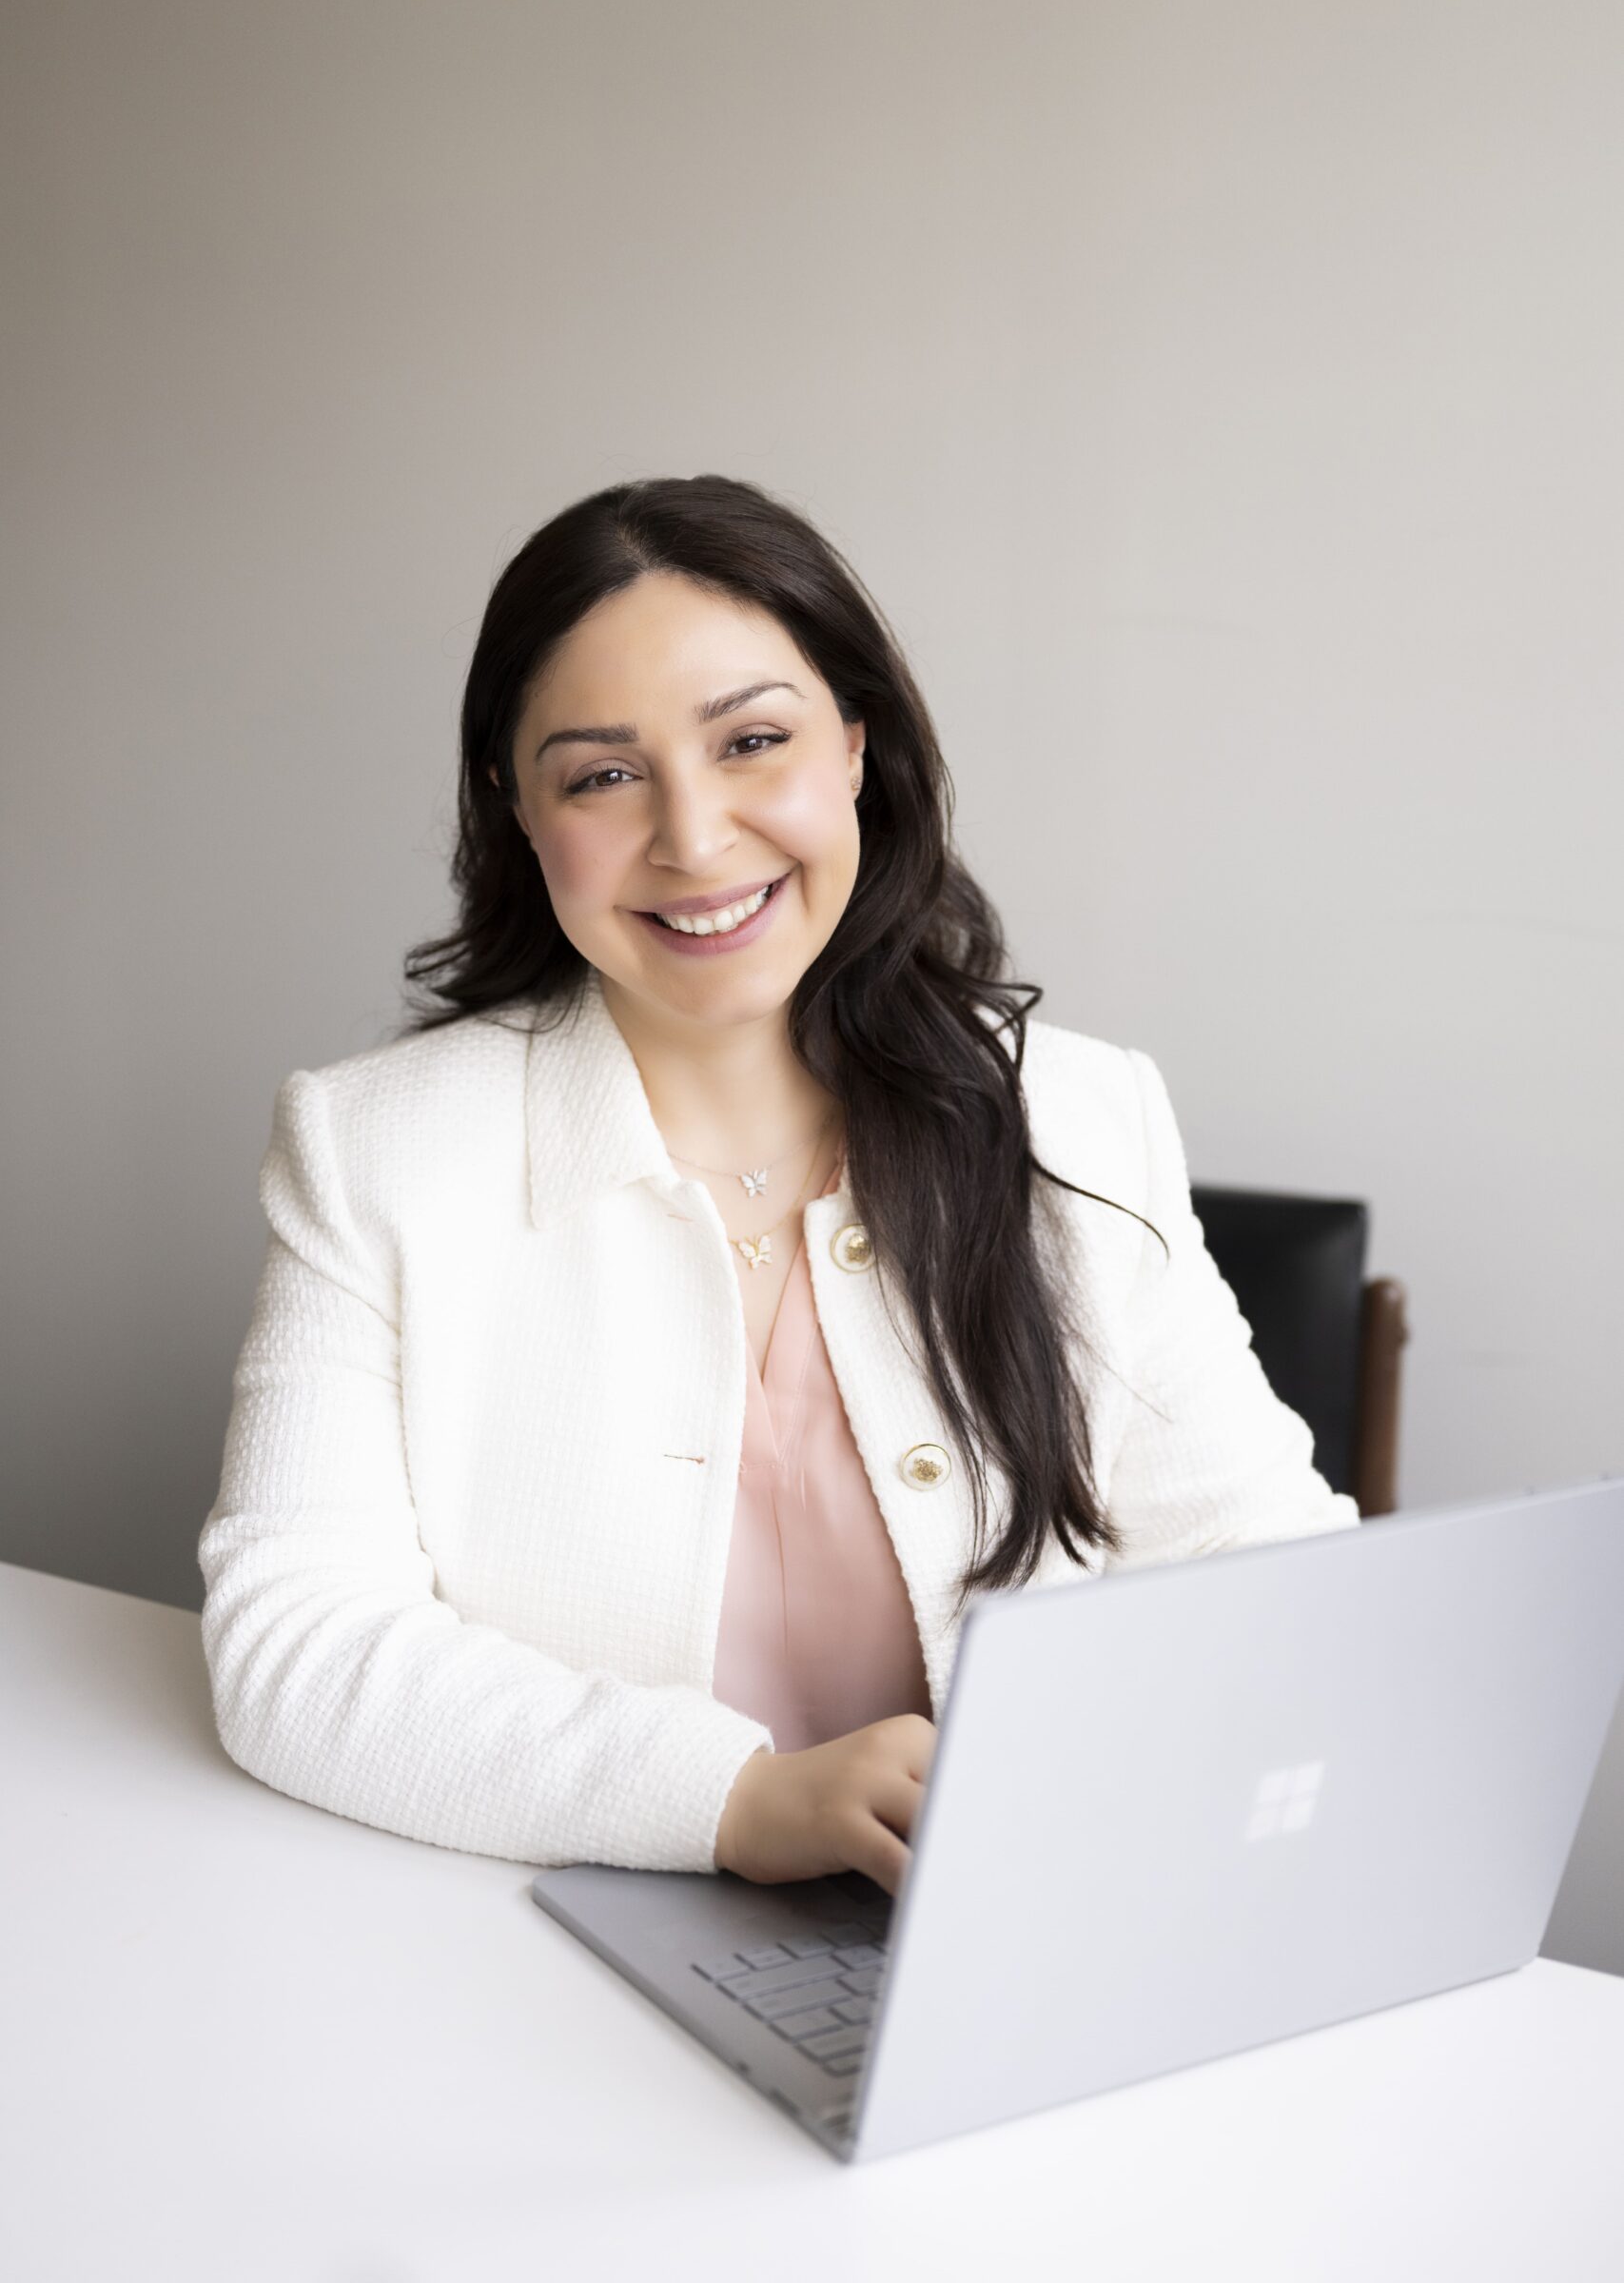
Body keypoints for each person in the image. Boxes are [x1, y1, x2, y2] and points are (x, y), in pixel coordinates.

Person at [199, 473, 1356, 1899]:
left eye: (753, 741)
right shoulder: (371, 1150)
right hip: (546, 1947)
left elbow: (1277, 1578)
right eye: (605, 774)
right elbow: (291, 1644)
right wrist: (735, 1802)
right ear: (519, 806)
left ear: (856, 748)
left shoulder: (1083, 1114)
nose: (694, 838)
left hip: (1017, 1930)